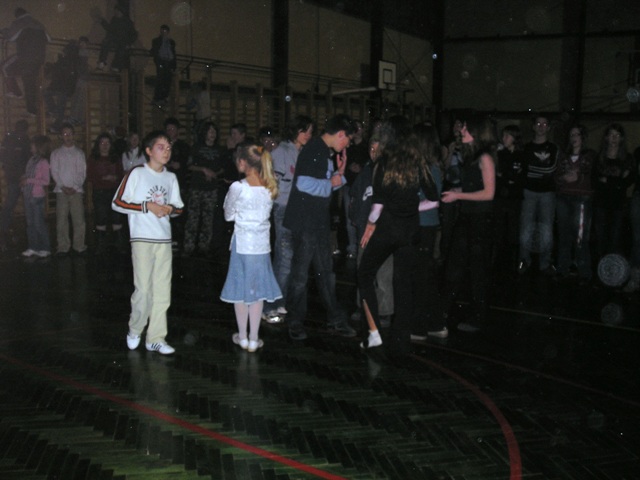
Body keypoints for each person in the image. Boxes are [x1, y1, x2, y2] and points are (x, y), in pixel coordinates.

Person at [357, 117, 434, 355]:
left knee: (364, 274)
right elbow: (433, 200)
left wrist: (370, 224)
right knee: (403, 283)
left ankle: (373, 333)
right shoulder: (417, 163)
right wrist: (411, 208)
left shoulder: (383, 163)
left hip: (388, 229)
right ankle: (401, 339)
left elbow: (377, 206)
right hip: (410, 231)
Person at [283, 114, 358, 341]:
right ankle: (295, 321)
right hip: (306, 223)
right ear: (341, 134)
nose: (347, 145)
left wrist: (339, 176)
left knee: (325, 273)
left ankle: (335, 318)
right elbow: (303, 183)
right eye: (348, 140)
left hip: (317, 222)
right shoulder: (315, 149)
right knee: (301, 275)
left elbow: (321, 185)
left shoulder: (323, 151)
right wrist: (332, 181)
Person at [112, 130, 184, 355]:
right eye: (161, 147)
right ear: (149, 151)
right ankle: (135, 328)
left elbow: (179, 207)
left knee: (162, 291)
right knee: (143, 290)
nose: (166, 152)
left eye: (169, 148)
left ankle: (156, 338)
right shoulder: (137, 173)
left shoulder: (171, 178)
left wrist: (170, 209)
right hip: (142, 239)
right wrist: (147, 206)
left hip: (164, 240)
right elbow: (117, 202)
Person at [220, 143, 282, 352]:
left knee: (240, 290)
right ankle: (254, 339)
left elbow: (228, 215)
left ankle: (243, 336)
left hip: (243, 245)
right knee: (257, 292)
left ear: (242, 163)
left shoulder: (238, 187)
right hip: (261, 247)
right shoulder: (270, 185)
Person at [441, 115, 497, 333]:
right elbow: (475, 187)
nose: (461, 131)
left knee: (477, 271)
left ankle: (477, 318)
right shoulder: (469, 156)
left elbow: (489, 194)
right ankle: (442, 311)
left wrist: (459, 196)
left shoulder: (485, 158)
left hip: (481, 220)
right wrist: (459, 191)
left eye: (465, 128)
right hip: (467, 217)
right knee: (454, 266)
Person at [262, 115, 314, 322]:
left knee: (290, 260)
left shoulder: (302, 153)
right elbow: (274, 184)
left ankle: (279, 301)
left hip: (298, 211)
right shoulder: (282, 151)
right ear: (295, 130)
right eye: (305, 131)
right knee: (284, 259)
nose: (308, 135)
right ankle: (269, 305)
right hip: (284, 209)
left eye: (310, 131)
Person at [348, 135, 394, 330]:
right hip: (364, 229)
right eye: (371, 149)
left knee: (383, 273)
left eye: (377, 150)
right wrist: (355, 217)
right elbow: (355, 195)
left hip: (383, 230)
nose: (374, 153)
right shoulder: (366, 170)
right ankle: (363, 306)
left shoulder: (390, 172)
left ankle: (384, 311)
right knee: (363, 270)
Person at [411, 123, 446, 340]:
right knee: (423, 276)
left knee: (420, 276)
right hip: (421, 225)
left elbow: (434, 201)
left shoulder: (430, 169)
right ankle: (434, 323)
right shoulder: (421, 166)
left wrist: (407, 207)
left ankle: (420, 326)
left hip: (424, 226)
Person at [518, 115, 559, 275]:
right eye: (538, 123)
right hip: (529, 192)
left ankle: (545, 263)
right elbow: (525, 169)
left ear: (548, 128)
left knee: (547, 229)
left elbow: (550, 170)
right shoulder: (526, 148)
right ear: (533, 126)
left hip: (547, 194)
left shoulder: (554, 148)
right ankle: (524, 260)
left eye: (544, 124)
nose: (541, 126)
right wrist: (539, 171)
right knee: (525, 228)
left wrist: (535, 169)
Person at [554, 125, 595, 282]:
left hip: (581, 198)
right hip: (563, 197)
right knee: (563, 235)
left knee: (580, 237)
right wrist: (563, 178)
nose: (574, 137)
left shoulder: (590, 155)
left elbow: (589, 174)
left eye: (577, 134)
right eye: (572, 134)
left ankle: (584, 272)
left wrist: (577, 178)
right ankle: (562, 268)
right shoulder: (563, 156)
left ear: (583, 137)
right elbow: (556, 175)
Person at [592, 123, 635, 260]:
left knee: (615, 239)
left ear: (621, 138)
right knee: (600, 238)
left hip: (618, 204)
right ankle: (600, 266)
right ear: (606, 137)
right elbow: (594, 180)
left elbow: (628, 181)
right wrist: (617, 181)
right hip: (601, 203)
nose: (614, 138)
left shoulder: (627, 158)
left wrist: (608, 180)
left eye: (617, 135)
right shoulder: (599, 158)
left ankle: (612, 267)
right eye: (611, 135)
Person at [183, 122, 224, 256]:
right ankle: (189, 246)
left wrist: (213, 174)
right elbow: (189, 165)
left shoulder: (219, 149)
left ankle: (204, 246)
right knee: (193, 218)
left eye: (214, 131)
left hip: (211, 188)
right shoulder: (196, 147)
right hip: (197, 187)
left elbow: (223, 168)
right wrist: (203, 170)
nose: (212, 134)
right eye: (210, 131)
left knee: (208, 219)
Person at [1, 7, 50, 116]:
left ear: (17, 15)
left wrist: (3, 31)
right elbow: (48, 39)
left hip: (25, 57)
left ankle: (16, 92)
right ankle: (32, 110)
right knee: (29, 82)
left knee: (4, 66)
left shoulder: (19, 22)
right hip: (38, 59)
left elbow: (10, 36)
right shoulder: (39, 23)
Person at [50, 123, 87, 256]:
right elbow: (54, 172)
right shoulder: (56, 153)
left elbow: (82, 172)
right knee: (61, 220)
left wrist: (75, 187)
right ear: (61, 136)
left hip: (76, 191)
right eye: (65, 134)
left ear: (74, 135)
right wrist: (62, 186)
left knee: (79, 220)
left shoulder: (79, 153)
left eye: (70, 134)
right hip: (61, 191)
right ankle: (63, 246)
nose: (68, 136)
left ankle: (79, 245)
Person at [493, 125, 525, 271]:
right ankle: (496, 261)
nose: (504, 138)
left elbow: (519, 176)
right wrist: (507, 176)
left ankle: (513, 262)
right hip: (500, 196)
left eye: (507, 135)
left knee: (513, 229)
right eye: (503, 135)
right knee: (498, 228)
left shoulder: (521, 155)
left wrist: (507, 176)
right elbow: (499, 174)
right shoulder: (500, 154)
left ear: (515, 138)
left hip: (514, 197)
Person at [87, 133, 125, 254]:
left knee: (116, 218)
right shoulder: (93, 159)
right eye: (102, 143)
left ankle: (119, 244)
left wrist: (115, 178)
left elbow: (121, 174)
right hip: (100, 192)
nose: (105, 145)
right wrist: (103, 178)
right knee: (101, 218)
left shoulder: (116, 158)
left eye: (107, 143)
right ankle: (100, 245)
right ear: (98, 145)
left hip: (114, 192)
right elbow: (90, 176)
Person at [0, 120, 30, 251]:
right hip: (15, 178)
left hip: (24, 178)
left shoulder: (25, 140)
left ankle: (29, 231)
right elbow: (3, 156)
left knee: (27, 205)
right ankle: (3, 230)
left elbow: (29, 158)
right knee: (10, 205)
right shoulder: (10, 139)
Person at [21, 135, 51, 258]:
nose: (31, 146)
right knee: (30, 223)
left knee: (38, 223)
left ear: (38, 146)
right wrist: (24, 178)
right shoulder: (31, 160)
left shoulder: (43, 162)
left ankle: (46, 248)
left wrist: (29, 180)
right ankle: (33, 247)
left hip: (37, 197)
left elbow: (46, 181)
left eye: (33, 144)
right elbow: (28, 175)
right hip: (28, 195)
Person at [44, 39, 81, 133]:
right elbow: (72, 76)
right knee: (59, 107)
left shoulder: (68, 60)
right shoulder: (72, 60)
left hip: (61, 86)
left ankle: (55, 118)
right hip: (62, 87)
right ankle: (55, 119)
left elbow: (64, 73)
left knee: (58, 106)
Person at [95, 5, 137, 72]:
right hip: (114, 40)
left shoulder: (128, 22)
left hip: (123, 42)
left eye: (117, 11)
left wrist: (129, 43)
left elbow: (134, 34)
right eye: (115, 11)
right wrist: (103, 22)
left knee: (121, 50)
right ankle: (102, 62)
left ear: (121, 12)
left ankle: (115, 66)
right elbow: (110, 29)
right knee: (106, 43)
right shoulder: (114, 19)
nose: (115, 13)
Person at [149, 24, 176, 106]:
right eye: (162, 31)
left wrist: (174, 66)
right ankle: (157, 97)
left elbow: (173, 54)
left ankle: (163, 97)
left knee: (167, 81)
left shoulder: (171, 42)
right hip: (161, 61)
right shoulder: (156, 41)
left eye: (165, 31)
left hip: (168, 62)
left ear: (168, 32)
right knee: (160, 79)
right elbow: (155, 50)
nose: (163, 32)